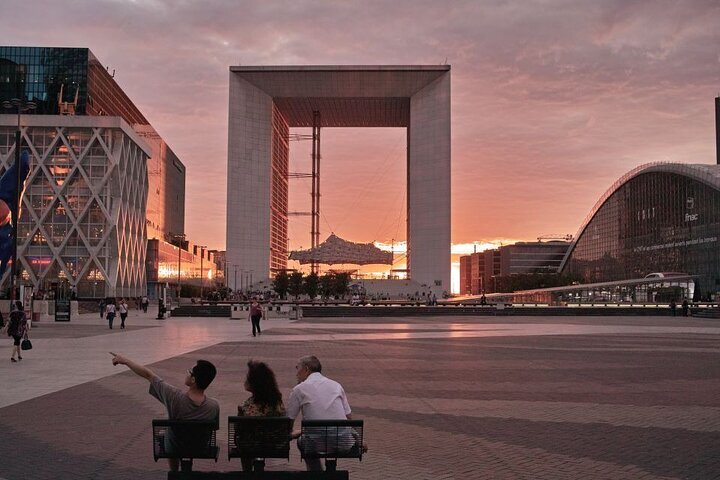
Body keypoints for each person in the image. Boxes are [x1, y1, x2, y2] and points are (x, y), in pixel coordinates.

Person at [109, 352, 219, 472]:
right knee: (176, 433)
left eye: (189, 371)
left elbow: (148, 375)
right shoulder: (213, 406)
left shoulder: (174, 396)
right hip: (200, 448)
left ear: (193, 379)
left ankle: (174, 472)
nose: (186, 372)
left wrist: (125, 360)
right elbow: (214, 428)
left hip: (175, 447)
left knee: (168, 433)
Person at [286, 355, 367, 471]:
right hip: (343, 443)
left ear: (306, 369)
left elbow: (289, 421)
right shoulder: (336, 385)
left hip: (315, 445)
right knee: (332, 437)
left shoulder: (299, 389)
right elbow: (349, 417)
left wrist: (294, 433)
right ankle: (330, 469)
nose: (296, 373)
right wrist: (359, 439)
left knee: (302, 442)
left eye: (297, 368)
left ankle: (316, 474)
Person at [237, 360, 286, 471]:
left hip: (249, 446)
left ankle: (247, 472)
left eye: (247, 378)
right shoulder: (276, 402)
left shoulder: (247, 406)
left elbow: (240, 429)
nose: (245, 381)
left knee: (245, 442)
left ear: (254, 383)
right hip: (273, 445)